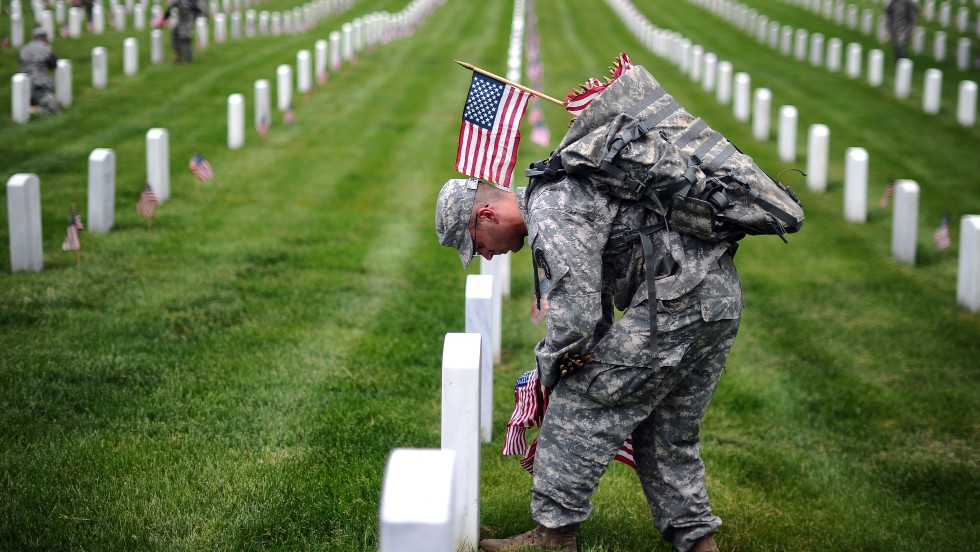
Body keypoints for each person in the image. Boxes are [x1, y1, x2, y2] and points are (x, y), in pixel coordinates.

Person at [436, 171, 742, 551]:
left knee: (580, 402)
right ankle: (699, 542)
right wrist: (568, 358)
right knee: (666, 430)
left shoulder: (549, 211)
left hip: (677, 301)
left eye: (476, 244)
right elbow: (594, 314)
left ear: (487, 215)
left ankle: (553, 536)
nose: (484, 254)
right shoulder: (557, 197)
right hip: (719, 297)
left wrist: (545, 374)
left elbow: (575, 321)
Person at [18, 27, 59, 115]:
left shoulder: (23, 49)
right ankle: (34, 110)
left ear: (33, 37)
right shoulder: (48, 49)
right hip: (40, 85)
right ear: (45, 38)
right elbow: (53, 66)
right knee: (53, 108)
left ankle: (30, 100)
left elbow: (21, 63)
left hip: (24, 84)